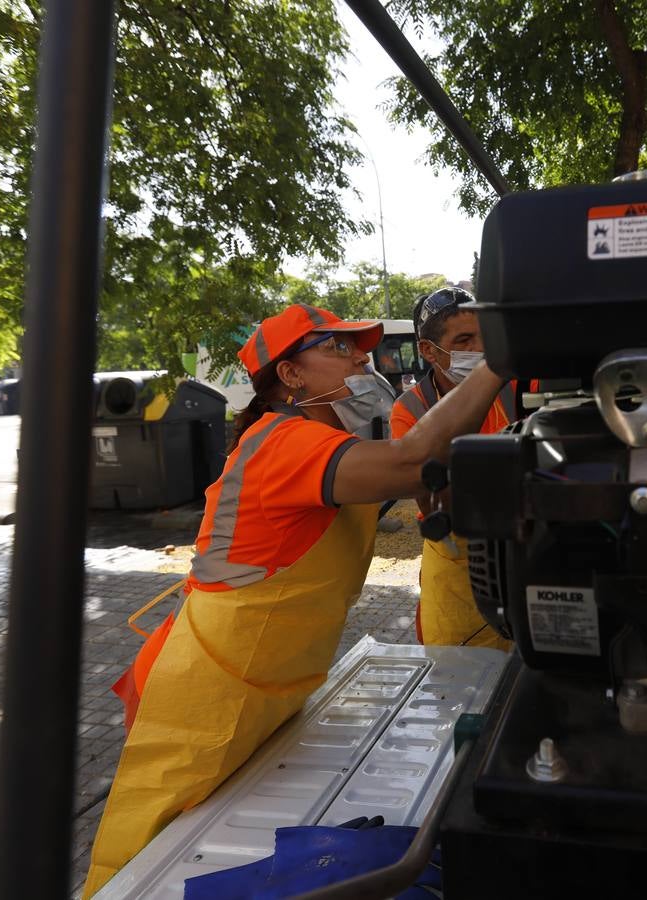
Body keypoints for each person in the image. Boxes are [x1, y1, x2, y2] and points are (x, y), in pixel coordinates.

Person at [82, 303, 506, 898]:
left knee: (199, 852)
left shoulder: (326, 443)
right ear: (290, 376)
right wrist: (501, 365)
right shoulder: (286, 443)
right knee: (140, 862)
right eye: (337, 348)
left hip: (264, 680)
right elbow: (415, 462)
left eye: (360, 347)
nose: (361, 357)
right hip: (209, 687)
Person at [390, 287, 518, 650]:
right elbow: (432, 501)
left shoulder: (515, 385)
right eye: (465, 340)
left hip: (520, 549)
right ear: (428, 351)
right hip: (457, 562)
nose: (480, 349)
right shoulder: (410, 410)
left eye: (485, 336)